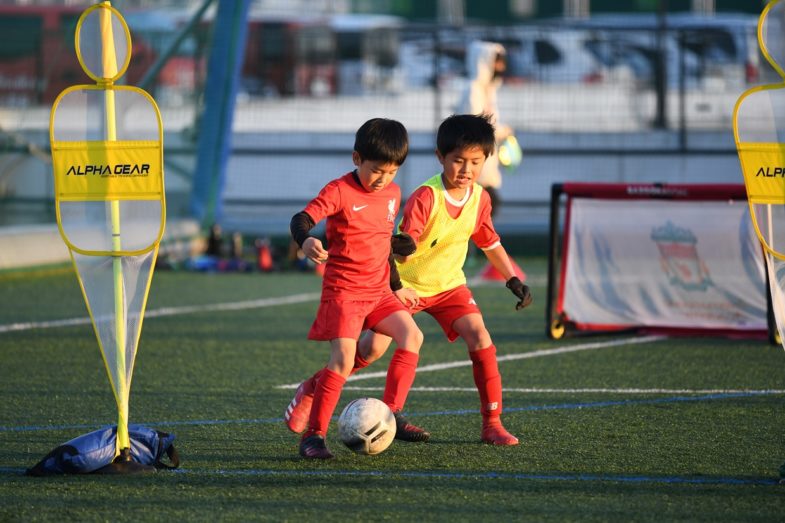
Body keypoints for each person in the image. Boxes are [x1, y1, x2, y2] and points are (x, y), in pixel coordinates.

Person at [287, 114, 532, 446]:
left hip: (435, 287)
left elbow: (489, 242)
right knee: (364, 353)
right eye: (459, 160)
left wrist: (512, 279)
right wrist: (399, 272)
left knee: (472, 337)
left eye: (475, 162)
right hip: (386, 286)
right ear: (440, 157)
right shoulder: (422, 196)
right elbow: (396, 247)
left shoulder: (469, 198)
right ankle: (313, 407)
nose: (466, 169)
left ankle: (485, 422)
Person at [286, 117, 429, 459]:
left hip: (379, 290)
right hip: (345, 292)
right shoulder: (339, 191)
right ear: (356, 159)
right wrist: (305, 241)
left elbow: (382, 244)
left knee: (411, 337)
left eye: (392, 171)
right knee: (344, 359)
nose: (384, 179)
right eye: (377, 170)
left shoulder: (393, 194)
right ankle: (313, 437)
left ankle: (391, 412)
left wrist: (396, 287)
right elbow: (301, 219)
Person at [456, 41, 511, 217]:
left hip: (485, 164)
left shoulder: (489, 90)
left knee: (483, 213)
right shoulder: (474, 90)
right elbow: (476, 126)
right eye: (497, 61)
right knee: (482, 212)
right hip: (473, 164)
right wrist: (501, 131)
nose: (501, 66)